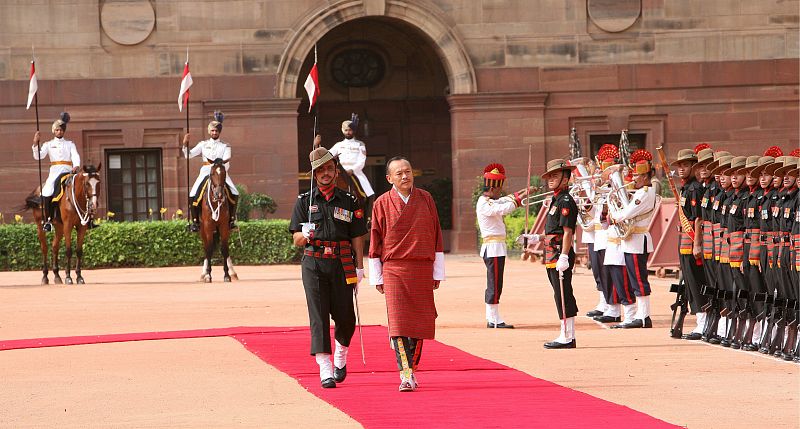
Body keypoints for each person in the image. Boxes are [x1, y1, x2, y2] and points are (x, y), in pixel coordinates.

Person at [289, 145, 367, 388]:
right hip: (314, 263)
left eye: (329, 168)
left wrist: (360, 266)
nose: (325, 173)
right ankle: (325, 367)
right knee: (319, 316)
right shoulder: (304, 201)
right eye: (320, 170)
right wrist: (305, 234)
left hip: (342, 263)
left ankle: (341, 354)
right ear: (314, 174)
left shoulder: (349, 200)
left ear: (336, 172)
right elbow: (296, 241)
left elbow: (357, 235)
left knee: (345, 316)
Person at [368, 156, 445, 392]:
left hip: (421, 267)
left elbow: (436, 234)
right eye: (399, 173)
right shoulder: (381, 202)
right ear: (389, 178)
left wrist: (437, 271)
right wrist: (377, 276)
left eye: (408, 172)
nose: (405, 176)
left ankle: (412, 367)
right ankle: (406, 374)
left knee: (421, 322)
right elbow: (375, 239)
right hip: (394, 269)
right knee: (399, 324)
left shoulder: (426, 199)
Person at [519, 159, 579, 349]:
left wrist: (564, 256)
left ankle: (567, 336)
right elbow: (553, 231)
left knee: (563, 294)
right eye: (549, 176)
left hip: (560, 254)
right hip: (551, 254)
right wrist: (535, 238)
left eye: (555, 175)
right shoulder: (555, 199)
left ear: (566, 177)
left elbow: (568, 232)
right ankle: (565, 333)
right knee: (558, 293)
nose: (551, 179)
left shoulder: (566, 200)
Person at [609, 149, 659, 329]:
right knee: (634, 279)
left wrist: (613, 214)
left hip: (638, 241)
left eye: (637, 175)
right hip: (632, 241)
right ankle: (640, 315)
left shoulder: (645, 193)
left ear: (646, 177)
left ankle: (644, 316)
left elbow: (627, 214)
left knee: (639, 279)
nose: (634, 178)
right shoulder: (640, 192)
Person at [476, 163, 528, 328]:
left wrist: (523, 193)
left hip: (496, 247)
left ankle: (492, 316)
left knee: (496, 282)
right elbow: (504, 208)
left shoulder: (490, 200)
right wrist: (518, 200)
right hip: (492, 248)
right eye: (498, 190)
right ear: (492, 189)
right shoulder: (484, 203)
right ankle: (493, 319)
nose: (500, 192)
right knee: (495, 283)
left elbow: (504, 200)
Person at [670, 149, 708, 340]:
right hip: (685, 241)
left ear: (693, 166)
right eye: (679, 166)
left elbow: (698, 219)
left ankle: (703, 322)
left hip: (692, 241)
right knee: (690, 284)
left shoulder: (694, 188)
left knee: (696, 282)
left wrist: (697, 244)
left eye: (685, 165)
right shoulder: (686, 187)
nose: (681, 169)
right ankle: (700, 319)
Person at [183, 111, 239, 232]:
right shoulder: (203, 144)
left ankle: (232, 220)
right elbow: (189, 155)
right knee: (193, 194)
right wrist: (185, 143)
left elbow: (226, 159)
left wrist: (219, 166)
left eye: (216, 131)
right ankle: (195, 222)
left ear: (219, 132)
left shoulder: (225, 146)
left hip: (220, 172)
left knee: (235, 191)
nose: (214, 133)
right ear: (209, 131)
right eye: (212, 131)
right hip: (205, 172)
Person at [32, 112, 82, 232]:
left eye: (61, 130)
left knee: (83, 187)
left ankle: (87, 219)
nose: (59, 132)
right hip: (55, 173)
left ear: (64, 131)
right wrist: (35, 143)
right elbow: (38, 156)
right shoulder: (48, 145)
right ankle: (48, 220)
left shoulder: (70, 144)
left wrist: (76, 165)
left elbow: (75, 156)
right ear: (54, 131)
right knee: (47, 191)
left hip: (69, 171)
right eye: (57, 130)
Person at [329, 115, 375, 198]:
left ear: (353, 131)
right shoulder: (338, 145)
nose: (348, 132)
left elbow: (362, 160)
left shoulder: (360, 144)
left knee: (369, 193)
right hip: (341, 171)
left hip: (355, 171)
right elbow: (328, 155)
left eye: (350, 130)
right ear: (343, 131)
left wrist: (352, 170)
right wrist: (317, 146)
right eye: (346, 130)